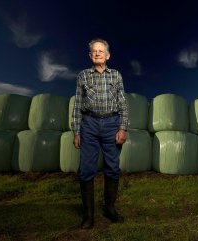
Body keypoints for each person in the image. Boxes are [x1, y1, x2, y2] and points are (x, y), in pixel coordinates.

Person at [71, 38, 128, 229]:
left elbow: (123, 104)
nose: (97, 53)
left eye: (100, 51)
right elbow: (78, 105)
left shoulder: (116, 76)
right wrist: (77, 131)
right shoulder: (83, 76)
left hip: (112, 123)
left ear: (108, 55)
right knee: (86, 169)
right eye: (94, 51)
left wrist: (122, 127)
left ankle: (110, 210)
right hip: (89, 124)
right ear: (90, 55)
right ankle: (88, 216)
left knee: (112, 167)